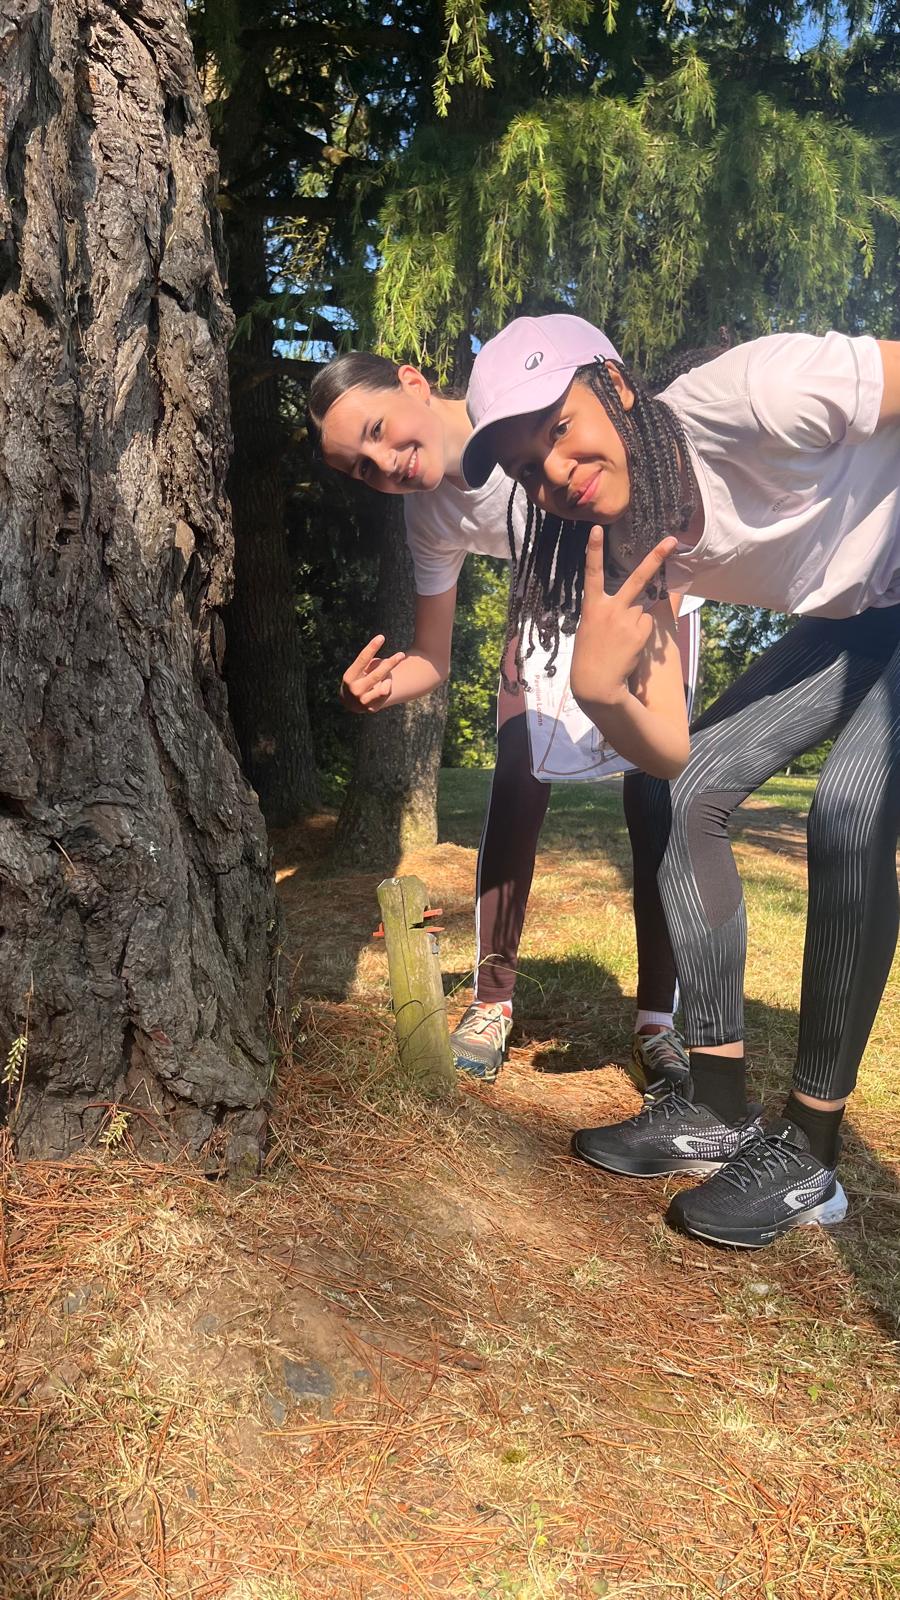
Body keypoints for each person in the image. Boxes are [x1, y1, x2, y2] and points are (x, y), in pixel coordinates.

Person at [461, 312, 900, 1248]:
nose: (556, 473)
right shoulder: (631, 540)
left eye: (559, 429)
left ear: (617, 387)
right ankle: (715, 1106)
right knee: (686, 791)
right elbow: (663, 750)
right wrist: (598, 692)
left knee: (850, 809)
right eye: (529, 469)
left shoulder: (759, 393)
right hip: (861, 616)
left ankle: (812, 1154)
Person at [307, 351, 703, 1087]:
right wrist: (382, 689)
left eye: (378, 430)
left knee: (656, 796)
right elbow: (432, 656)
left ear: (413, 382)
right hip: (548, 608)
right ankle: (492, 1001)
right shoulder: (429, 515)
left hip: (647, 585)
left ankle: (658, 1021)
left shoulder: (518, 393)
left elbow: (639, 448)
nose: (384, 463)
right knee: (516, 785)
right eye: (361, 467)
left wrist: (660, 614)